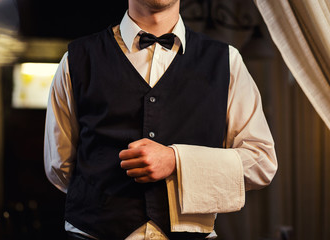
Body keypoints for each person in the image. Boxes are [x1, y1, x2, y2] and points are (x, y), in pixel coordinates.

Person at [44, 0, 278, 239]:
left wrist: (176, 161)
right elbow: (60, 166)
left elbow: (261, 162)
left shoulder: (227, 61)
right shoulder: (76, 59)